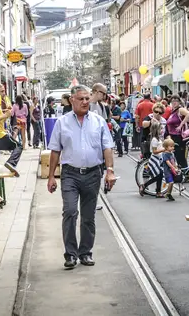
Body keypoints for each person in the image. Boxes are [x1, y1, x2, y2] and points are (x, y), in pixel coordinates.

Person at [47, 85, 117, 269]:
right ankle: (70, 254)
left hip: (93, 173)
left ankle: (85, 252)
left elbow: (107, 147)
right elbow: (55, 150)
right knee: (70, 212)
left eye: (87, 98)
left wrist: (109, 170)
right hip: (70, 174)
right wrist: (51, 176)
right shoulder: (62, 122)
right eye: (81, 99)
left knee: (88, 217)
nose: (85, 102)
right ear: (72, 100)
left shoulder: (98, 121)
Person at [0, 83, 23, 176]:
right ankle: (11, 163)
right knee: (18, 146)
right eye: (2, 91)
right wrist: (5, 115)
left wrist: (4, 112)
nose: (4, 93)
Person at [140, 121, 167, 197]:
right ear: (156, 130)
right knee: (159, 175)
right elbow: (154, 151)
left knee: (160, 175)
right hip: (155, 160)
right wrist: (163, 150)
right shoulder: (154, 140)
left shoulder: (158, 139)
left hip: (159, 159)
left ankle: (158, 191)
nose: (162, 130)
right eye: (160, 129)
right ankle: (145, 185)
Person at [166, 95, 189, 169]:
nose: (174, 102)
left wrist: (181, 125)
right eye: (172, 101)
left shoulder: (180, 109)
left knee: (180, 156)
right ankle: (181, 173)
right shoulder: (173, 111)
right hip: (173, 136)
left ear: (179, 102)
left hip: (179, 136)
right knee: (177, 156)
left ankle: (185, 174)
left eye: (176, 101)